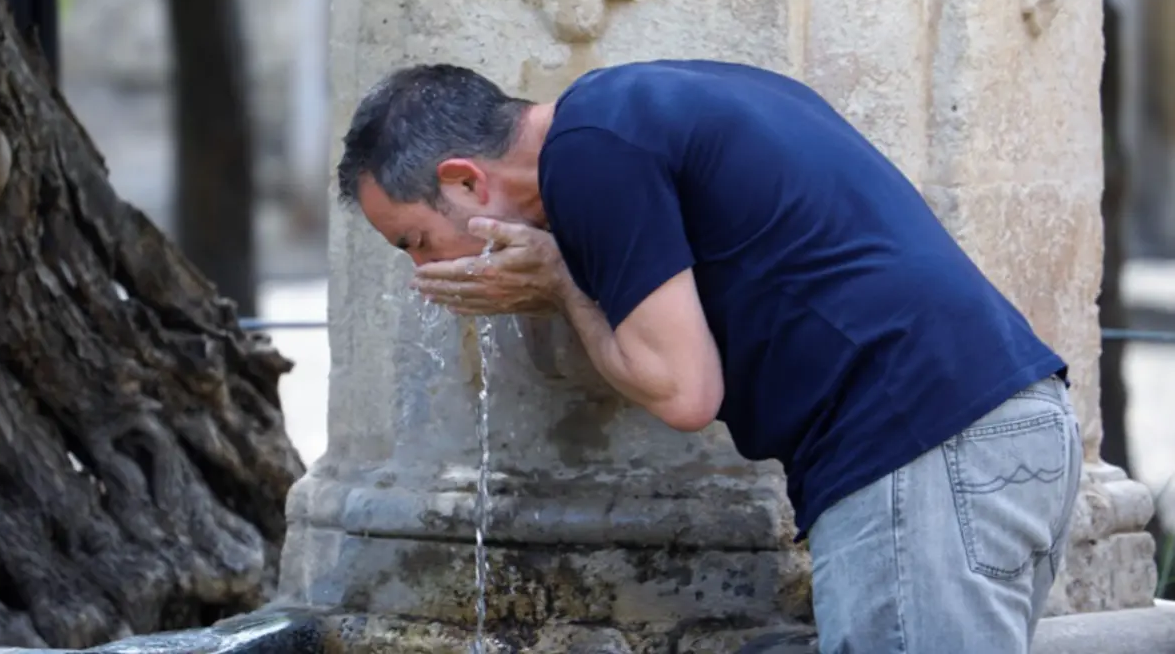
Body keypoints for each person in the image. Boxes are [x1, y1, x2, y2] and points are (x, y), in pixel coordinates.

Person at [335, 60, 1083, 654]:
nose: (422, 271)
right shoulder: (647, 105)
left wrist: (565, 283)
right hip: (1014, 424)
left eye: (418, 241)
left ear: (465, 180)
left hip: (916, 450)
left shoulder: (589, 154)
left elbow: (683, 392)